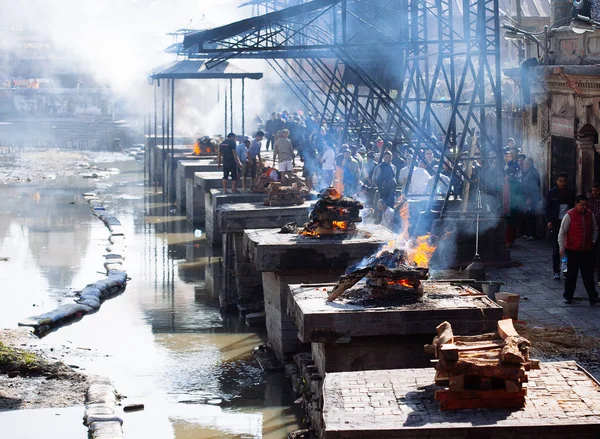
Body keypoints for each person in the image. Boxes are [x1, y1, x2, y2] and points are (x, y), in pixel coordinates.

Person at [558, 195, 599, 305]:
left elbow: (595, 229)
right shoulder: (569, 215)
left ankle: (593, 297)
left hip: (587, 250)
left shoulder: (590, 215)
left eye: (586, 205)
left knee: (588, 275)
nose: (584, 207)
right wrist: (561, 248)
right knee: (571, 275)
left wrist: (593, 241)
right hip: (572, 250)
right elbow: (562, 233)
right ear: (576, 204)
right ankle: (568, 296)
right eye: (582, 205)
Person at [545, 173, 575, 280]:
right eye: (560, 181)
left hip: (567, 222)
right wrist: (549, 221)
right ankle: (556, 271)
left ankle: (566, 270)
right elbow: (547, 208)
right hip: (556, 222)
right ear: (556, 181)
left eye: (564, 181)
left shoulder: (570, 193)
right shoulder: (551, 193)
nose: (562, 183)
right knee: (556, 248)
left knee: (568, 248)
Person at [520, 157, 541, 240]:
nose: (523, 165)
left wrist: (529, 199)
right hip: (527, 197)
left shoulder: (532, 173)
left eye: (524, 164)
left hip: (531, 198)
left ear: (528, 164)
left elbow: (533, 187)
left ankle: (532, 234)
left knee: (531, 216)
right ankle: (528, 233)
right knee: (527, 216)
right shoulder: (527, 172)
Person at [587, 183, 600, 284]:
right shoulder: (588, 201)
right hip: (590, 230)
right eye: (593, 191)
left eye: (597, 191)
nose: (594, 193)